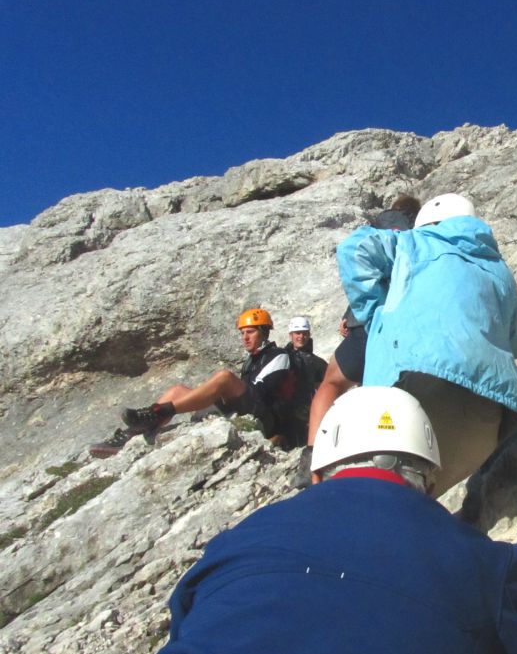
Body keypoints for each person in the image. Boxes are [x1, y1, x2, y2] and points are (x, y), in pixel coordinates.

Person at [115, 386, 517, 654]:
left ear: (320, 468)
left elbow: (188, 641)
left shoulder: (235, 542)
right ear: (429, 476)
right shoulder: (481, 561)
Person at [309, 192, 517, 496]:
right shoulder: (500, 271)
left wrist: (378, 312)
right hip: (489, 416)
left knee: (377, 503)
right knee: (420, 503)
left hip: (413, 390)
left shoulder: (412, 243)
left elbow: (355, 248)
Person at [303, 195, 420, 468]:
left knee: (331, 383)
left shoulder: (377, 231)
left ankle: (312, 456)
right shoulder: (419, 233)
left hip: (363, 326)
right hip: (402, 325)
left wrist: (350, 316)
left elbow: (366, 277)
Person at [90, 308, 291, 457]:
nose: (245, 338)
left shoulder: (279, 355)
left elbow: (262, 391)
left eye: (251, 332)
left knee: (224, 377)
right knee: (178, 390)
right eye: (242, 333)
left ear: (264, 332)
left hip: (265, 416)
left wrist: (221, 390)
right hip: (244, 406)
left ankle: (158, 411)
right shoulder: (251, 361)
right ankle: (128, 436)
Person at [278, 316, 328, 447]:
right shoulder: (281, 356)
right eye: (297, 333)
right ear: (291, 335)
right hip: (282, 408)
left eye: (304, 333)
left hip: (305, 411)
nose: (301, 336)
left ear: (309, 335)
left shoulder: (318, 363)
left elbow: (324, 389)